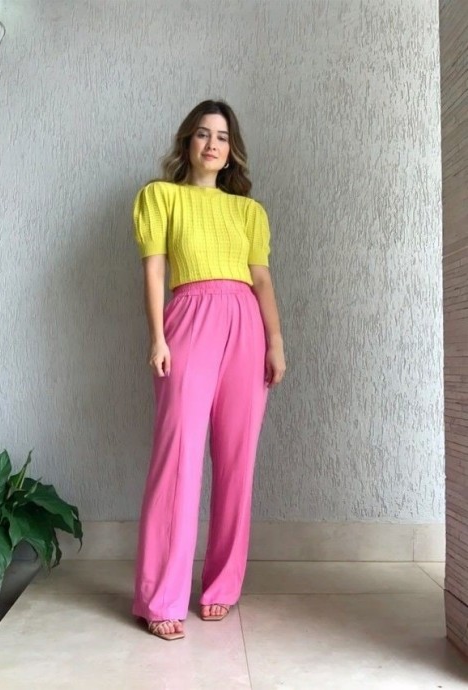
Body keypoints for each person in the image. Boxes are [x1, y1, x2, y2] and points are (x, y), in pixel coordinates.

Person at [131, 99, 286, 641]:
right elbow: (155, 272)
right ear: (188, 142)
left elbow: (261, 280)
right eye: (202, 134)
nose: (212, 144)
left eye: (221, 136)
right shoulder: (160, 197)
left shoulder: (249, 212)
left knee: (237, 461)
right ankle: (161, 598)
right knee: (178, 459)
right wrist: (157, 336)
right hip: (188, 320)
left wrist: (275, 342)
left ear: (231, 149)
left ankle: (221, 586)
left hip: (246, 325)